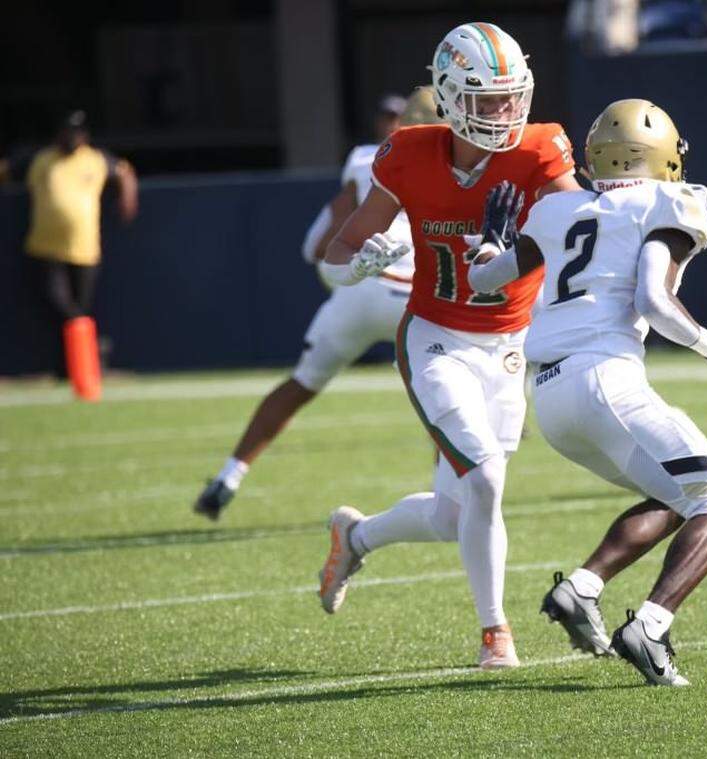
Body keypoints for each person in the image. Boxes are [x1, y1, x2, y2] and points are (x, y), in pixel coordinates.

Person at [467, 99, 707, 686]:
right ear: (663, 155)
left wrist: (490, 240)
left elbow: (486, 280)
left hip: (551, 398)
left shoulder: (555, 210)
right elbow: (652, 301)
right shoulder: (675, 200)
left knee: (676, 495)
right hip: (607, 379)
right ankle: (652, 627)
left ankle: (582, 590)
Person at [315, 22, 580, 670]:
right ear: (451, 96)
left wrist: (515, 252)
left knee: (452, 511)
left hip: (508, 344)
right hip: (435, 338)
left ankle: (356, 536)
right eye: (489, 100)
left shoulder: (541, 148)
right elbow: (336, 250)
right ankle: (496, 633)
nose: (505, 112)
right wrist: (354, 267)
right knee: (485, 477)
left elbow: (582, 232)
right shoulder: (408, 153)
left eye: (512, 96)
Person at [193, 88, 441, 520]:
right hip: (417, 293)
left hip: (362, 288)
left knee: (302, 383)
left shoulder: (366, 160)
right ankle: (449, 498)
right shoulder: (460, 163)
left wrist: (338, 277)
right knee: (444, 397)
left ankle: (228, 476)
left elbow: (317, 244)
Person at [24, 109, 138, 400]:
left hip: (85, 249)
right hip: (46, 247)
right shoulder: (41, 159)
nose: (70, 138)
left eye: (75, 133)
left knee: (81, 311)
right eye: (66, 132)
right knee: (61, 306)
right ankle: (84, 360)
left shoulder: (96, 160)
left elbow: (124, 172)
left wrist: (128, 198)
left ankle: (82, 370)